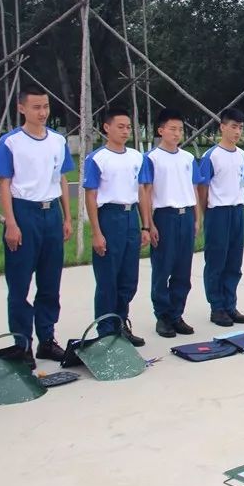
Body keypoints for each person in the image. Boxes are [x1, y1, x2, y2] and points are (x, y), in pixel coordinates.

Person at [0, 85, 74, 366]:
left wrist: (67, 217)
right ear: (22, 108)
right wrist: (10, 223)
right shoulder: (10, 142)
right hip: (24, 214)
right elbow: (4, 184)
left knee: (50, 283)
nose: (43, 113)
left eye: (46, 107)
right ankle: (22, 344)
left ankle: (47, 340)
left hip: (51, 214)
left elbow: (61, 178)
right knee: (20, 284)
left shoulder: (58, 141)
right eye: (36, 107)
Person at [84, 108, 149, 345]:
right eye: (120, 126)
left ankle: (121, 324)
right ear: (107, 128)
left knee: (128, 278)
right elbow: (90, 195)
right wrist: (97, 232)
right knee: (107, 279)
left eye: (128, 127)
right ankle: (106, 329)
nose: (125, 131)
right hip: (109, 218)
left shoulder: (136, 157)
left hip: (131, 217)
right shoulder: (98, 158)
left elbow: (141, 191)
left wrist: (145, 226)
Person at [140, 109, 203, 338]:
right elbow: (146, 192)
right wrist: (149, 224)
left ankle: (177, 314)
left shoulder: (187, 158)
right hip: (164, 216)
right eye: (172, 129)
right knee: (162, 269)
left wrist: (197, 218)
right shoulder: (151, 158)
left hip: (185, 216)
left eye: (180, 130)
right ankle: (163, 316)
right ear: (161, 130)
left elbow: (194, 189)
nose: (177, 134)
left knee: (182, 270)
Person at [199, 108, 244, 327]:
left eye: (240, 127)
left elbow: (242, 182)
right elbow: (202, 187)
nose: (237, 132)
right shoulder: (211, 156)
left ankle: (230, 304)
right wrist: (204, 214)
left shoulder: (242, 155)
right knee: (216, 261)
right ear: (222, 127)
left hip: (237, 210)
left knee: (234, 262)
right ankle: (217, 307)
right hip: (217, 212)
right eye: (233, 126)